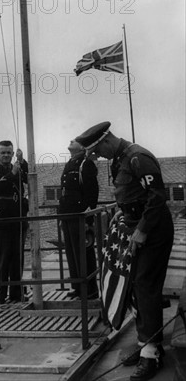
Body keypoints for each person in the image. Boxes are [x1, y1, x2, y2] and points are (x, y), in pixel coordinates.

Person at [75, 121, 174, 381]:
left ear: (106, 141)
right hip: (135, 226)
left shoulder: (137, 157)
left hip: (152, 230)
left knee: (145, 286)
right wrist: (123, 208)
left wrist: (141, 229)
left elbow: (157, 195)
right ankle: (147, 345)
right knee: (133, 287)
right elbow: (132, 193)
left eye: (97, 151)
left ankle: (151, 354)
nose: (97, 157)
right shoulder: (120, 158)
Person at [0, 141, 28, 304]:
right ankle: (0, 295)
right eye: (3, 153)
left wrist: (22, 161)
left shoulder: (17, 167)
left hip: (18, 216)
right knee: (2, 258)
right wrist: (12, 174)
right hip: (0, 219)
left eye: (9, 153)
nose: (6, 155)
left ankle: (16, 294)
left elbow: (29, 176)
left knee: (17, 258)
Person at [59, 139, 99, 300]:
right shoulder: (70, 163)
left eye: (75, 140)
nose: (71, 140)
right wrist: (62, 217)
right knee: (71, 252)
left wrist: (88, 220)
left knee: (83, 253)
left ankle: (90, 290)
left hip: (80, 215)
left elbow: (92, 192)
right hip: (67, 215)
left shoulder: (86, 164)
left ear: (82, 147)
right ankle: (77, 287)